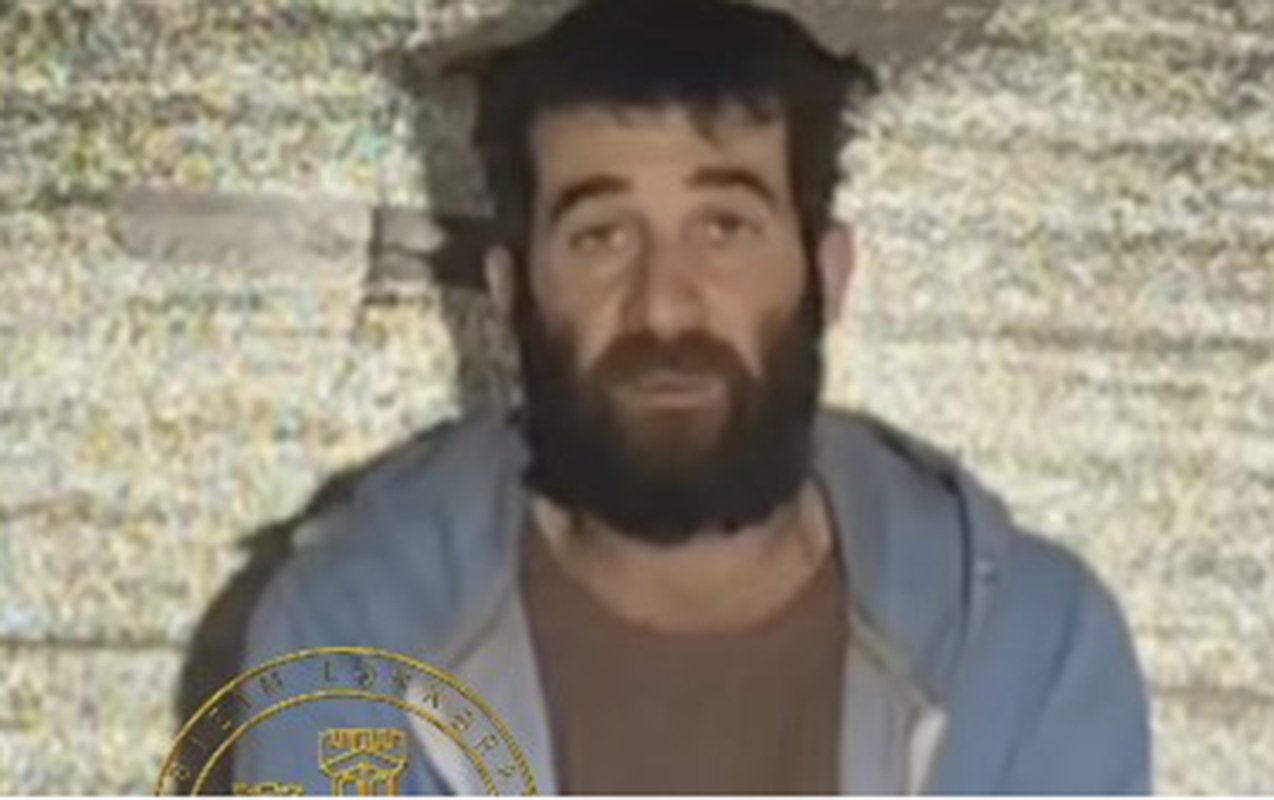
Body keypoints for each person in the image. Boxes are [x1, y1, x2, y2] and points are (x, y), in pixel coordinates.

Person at [235, 0, 1151, 793]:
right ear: (513, 295)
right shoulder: (352, 637)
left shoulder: (1028, 650)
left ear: (828, 274)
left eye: (725, 229)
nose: (665, 303)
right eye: (601, 237)